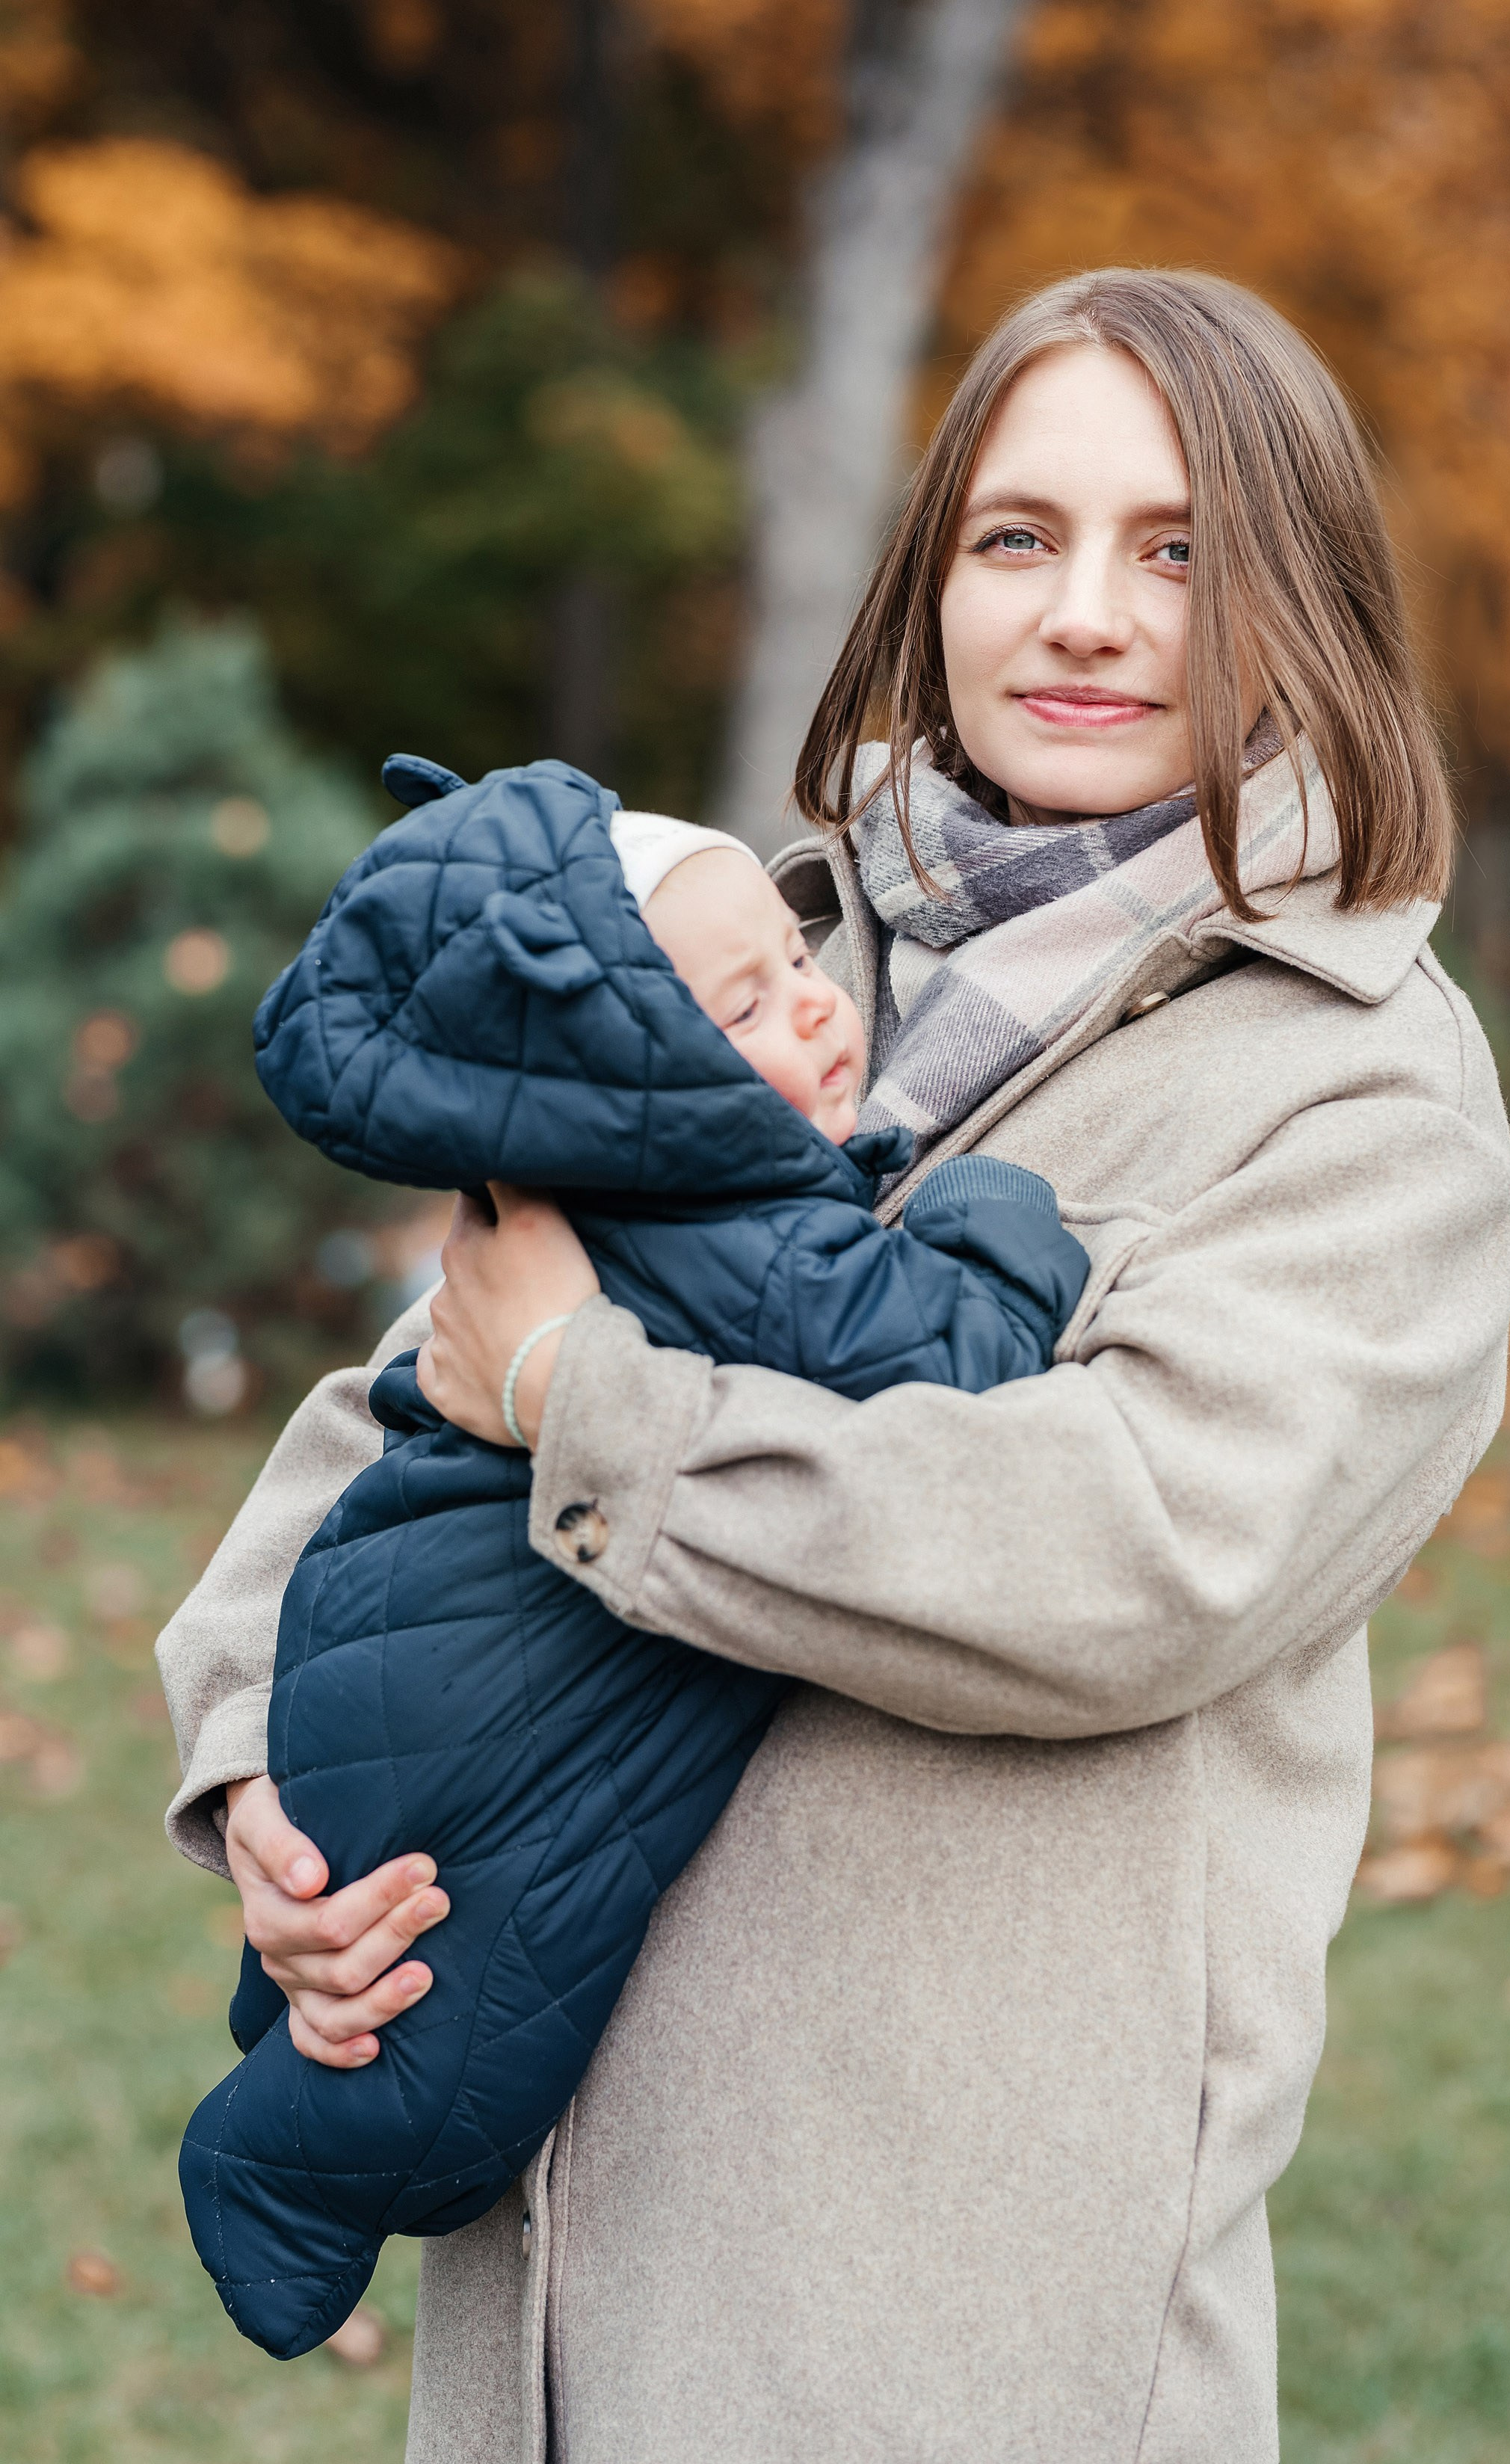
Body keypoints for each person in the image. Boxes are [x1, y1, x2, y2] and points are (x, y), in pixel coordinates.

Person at [158, 267, 1510, 2464]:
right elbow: (417, 1386)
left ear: (1303, 602)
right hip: (558, 2294)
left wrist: (604, 1418)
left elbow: (1129, 1555)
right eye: (1018, 537)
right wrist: (263, 1793)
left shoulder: (1356, 1101)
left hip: (952, 2325)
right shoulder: (757, 963)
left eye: (1177, 551)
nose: (1086, 614)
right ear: (931, 580)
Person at [179, 783, 1088, 2361]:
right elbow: (960, 1349)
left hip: (397, 1617)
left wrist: (558, 1379)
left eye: (796, 967)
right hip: (475, 1637)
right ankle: (280, 2166)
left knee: (423, 1912)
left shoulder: (613, 1196)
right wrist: (992, 1214)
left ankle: (284, 2091)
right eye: (750, 998)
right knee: (465, 1981)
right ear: (636, 1073)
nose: (817, 999)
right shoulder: (742, 1230)